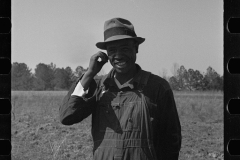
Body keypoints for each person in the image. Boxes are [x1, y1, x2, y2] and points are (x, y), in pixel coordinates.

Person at [59, 17, 182, 160]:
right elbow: (67, 116)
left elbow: (171, 141)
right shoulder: (98, 86)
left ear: (136, 48)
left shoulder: (157, 87)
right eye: (112, 50)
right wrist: (89, 74)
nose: (118, 55)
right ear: (106, 54)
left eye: (125, 48)